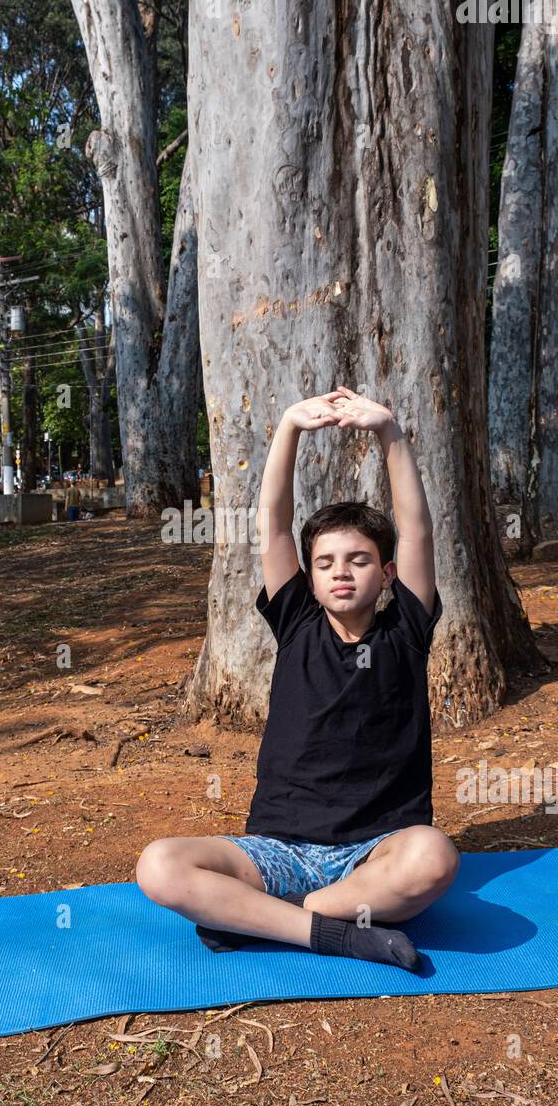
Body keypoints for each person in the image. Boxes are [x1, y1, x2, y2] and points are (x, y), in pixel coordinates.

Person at [136, 385, 460, 971]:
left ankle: (270, 918)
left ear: (387, 574)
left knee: (434, 858)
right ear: (308, 579)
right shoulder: (296, 623)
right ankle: (334, 933)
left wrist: (390, 432)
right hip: (276, 850)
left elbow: (417, 532)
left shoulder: (405, 630)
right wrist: (287, 427)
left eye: (359, 561)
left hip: (374, 854)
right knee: (159, 864)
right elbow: (275, 526)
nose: (341, 573)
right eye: (327, 563)